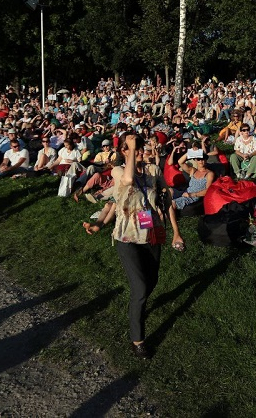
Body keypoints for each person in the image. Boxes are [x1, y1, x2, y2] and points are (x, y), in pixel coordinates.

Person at [82, 134, 170, 360]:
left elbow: (166, 199)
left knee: (152, 282)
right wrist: (100, 225)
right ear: (123, 152)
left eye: (140, 147)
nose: (140, 151)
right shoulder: (119, 171)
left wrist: (176, 231)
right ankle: (138, 339)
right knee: (140, 288)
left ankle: (136, 309)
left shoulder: (152, 171)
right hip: (127, 238)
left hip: (151, 233)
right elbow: (128, 183)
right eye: (134, 148)